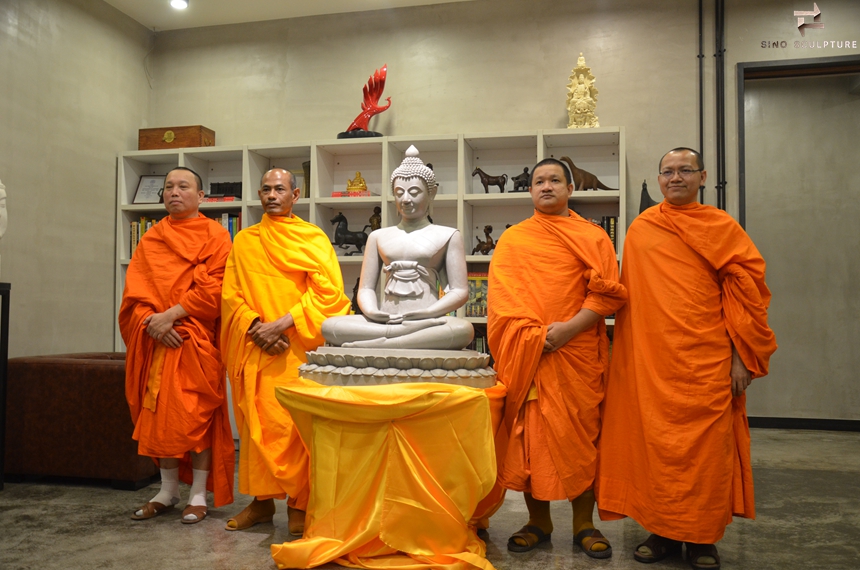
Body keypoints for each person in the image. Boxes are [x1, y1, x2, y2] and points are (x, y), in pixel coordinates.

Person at [597, 148, 777, 570]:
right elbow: (633, 301)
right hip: (651, 361)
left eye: (684, 171)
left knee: (705, 452)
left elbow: (746, 297)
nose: (675, 177)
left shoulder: (721, 227)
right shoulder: (642, 229)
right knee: (655, 447)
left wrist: (739, 358)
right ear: (659, 179)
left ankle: (701, 539)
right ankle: (661, 531)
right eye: (667, 171)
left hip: (707, 360)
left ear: (702, 177)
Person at [487, 158, 627, 557]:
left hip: (577, 351)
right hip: (529, 355)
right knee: (531, 440)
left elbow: (606, 294)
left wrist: (566, 330)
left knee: (582, 437)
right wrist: (533, 337)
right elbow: (500, 302)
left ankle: (585, 524)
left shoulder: (593, 237)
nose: (546, 187)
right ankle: (539, 521)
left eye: (554, 180)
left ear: (570, 189)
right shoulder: (514, 240)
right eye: (538, 181)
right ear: (530, 191)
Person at [221, 167, 350, 534]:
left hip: (297, 350)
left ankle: (299, 504)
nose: (272, 195)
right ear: (259, 195)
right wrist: (256, 326)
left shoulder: (313, 238)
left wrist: (283, 324)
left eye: (280, 189)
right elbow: (231, 296)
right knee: (255, 429)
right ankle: (261, 504)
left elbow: (330, 294)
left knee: (296, 431)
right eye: (266, 189)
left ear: (296, 195)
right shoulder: (245, 240)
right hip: (256, 346)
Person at [120, 166, 235, 524]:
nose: (174, 192)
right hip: (156, 340)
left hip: (194, 340)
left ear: (201, 197)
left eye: (183, 186)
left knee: (196, 417)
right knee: (160, 419)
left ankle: (198, 495)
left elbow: (217, 289)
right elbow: (134, 294)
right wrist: (152, 323)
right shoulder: (151, 238)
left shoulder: (216, 235)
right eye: (169, 186)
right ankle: (167, 492)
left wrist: (171, 315)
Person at [321, 145, 473, 350]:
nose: (406, 199)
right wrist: (373, 312)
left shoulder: (448, 235)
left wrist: (429, 313)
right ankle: (398, 340)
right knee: (331, 326)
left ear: (432, 193)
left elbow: (460, 291)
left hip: (426, 322)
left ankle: (381, 344)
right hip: (385, 320)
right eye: (399, 193)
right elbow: (366, 288)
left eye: (414, 192)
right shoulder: (377, 236)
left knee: (463, 330)